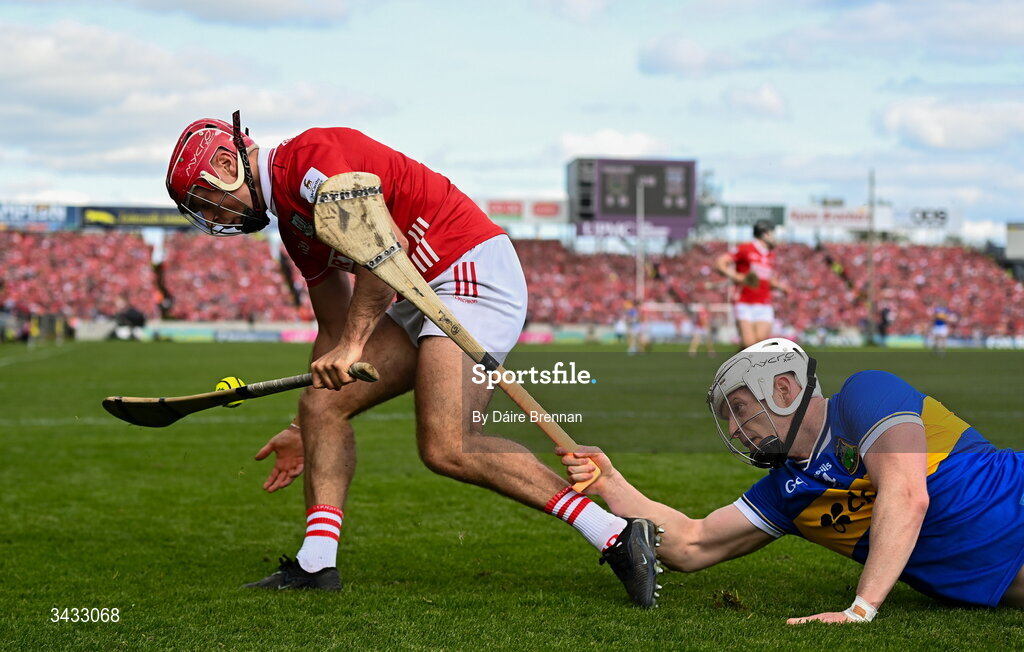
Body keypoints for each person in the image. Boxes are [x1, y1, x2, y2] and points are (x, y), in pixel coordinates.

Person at [164, 113, 660, 606]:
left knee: (448, 445)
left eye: (208, 202)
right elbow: (334, 330)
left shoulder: (310, 162)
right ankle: (316, 564)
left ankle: (615, 533)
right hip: (413, 288)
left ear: (228, 163)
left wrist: (356, 344)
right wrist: (301, 423)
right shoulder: (294, 225)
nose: (215, 220)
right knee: (322, 407)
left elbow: (385, 251)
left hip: (467, 270)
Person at [559, 338, 1024, 622]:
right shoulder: (787, 492)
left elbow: (906, 495)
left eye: (740, 410)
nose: (738, 430)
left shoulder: (866, 394)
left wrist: (860, 609)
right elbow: (691, 543)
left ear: (783, 388)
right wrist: (611, 484)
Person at [715, 220, 790, 348]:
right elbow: (720, 263)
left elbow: (765, 280)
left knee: (760, 343)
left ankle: (737, 365)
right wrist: (736, 276)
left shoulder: (770, 255)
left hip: (764, 303)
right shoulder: (745, 249)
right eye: (773, 233)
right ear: (765, 234)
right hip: (744, 302)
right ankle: (737, 365)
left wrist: (780, 287)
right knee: (749, 344)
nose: (775, 237)